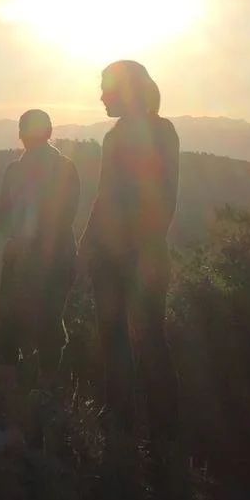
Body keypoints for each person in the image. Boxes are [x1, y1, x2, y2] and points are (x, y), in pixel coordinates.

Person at [78, 60, 182, 446]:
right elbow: (105, 197)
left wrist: (136, 250)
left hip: (135, 256)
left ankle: (149, 435)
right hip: (121, 255)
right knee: (125, 338)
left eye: (106, 88)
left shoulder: (157, 132)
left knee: (141, 339)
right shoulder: (121, 134)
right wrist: (88, 246)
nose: (101, 96)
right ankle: (137, 433)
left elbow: (161, 198)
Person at [0, 109, 80, 449]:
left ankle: (16, 393)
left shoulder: (23, 171)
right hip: (47, 256)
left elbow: (5, 220)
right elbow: (63, 216)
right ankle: (36, 392)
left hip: (39, 257)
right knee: (43, 320)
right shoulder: (58, 169)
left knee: (23, 320)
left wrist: (24, 236)